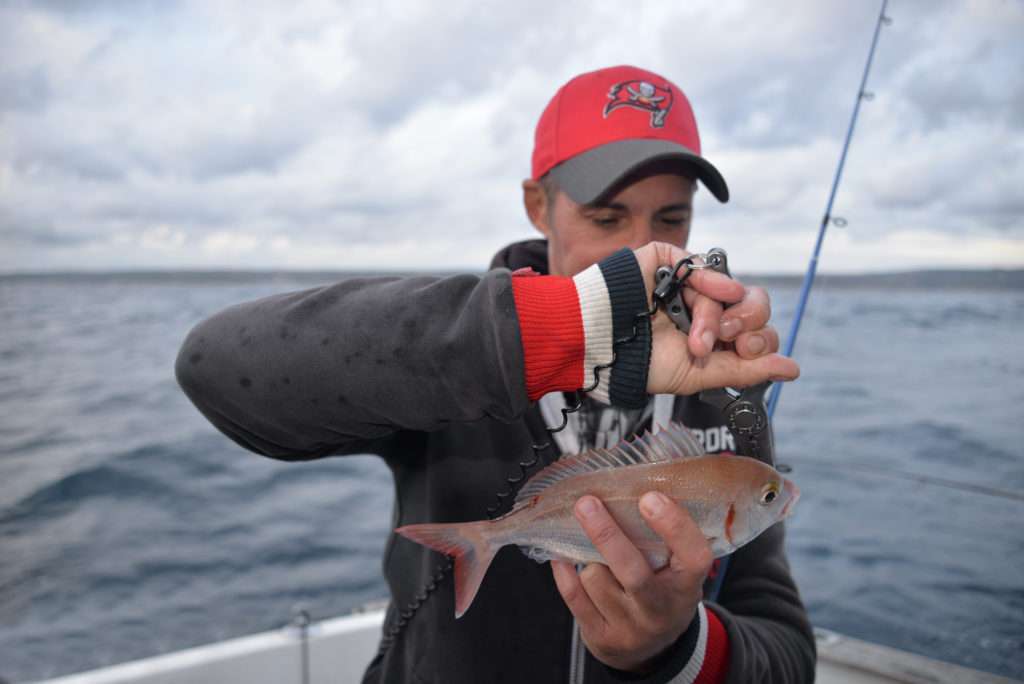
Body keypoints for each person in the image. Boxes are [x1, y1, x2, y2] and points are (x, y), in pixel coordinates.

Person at [176, 65, 815, 683]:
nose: (647, 249)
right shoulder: (454, 351)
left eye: (672, 218)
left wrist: (677, 647)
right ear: (538, 205)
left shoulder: (725, 390)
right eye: (605, 217)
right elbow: (216, 368)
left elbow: (787, 652)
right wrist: (557, 330)